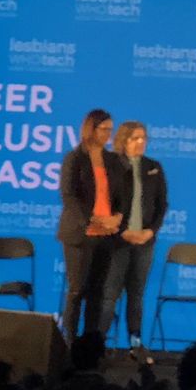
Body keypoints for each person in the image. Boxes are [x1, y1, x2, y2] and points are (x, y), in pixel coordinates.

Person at [57, 108, 122, 344]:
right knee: (77, 291)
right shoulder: (75, 158)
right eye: (104, 129)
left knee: (98, 294)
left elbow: (121, 195)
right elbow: (69, 195)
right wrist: (92, 220)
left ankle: (90, 345)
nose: (109, 134)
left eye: (110, 130)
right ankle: (69, 343)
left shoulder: (113, 160)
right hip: (80, 234)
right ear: (91, 129)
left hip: (106, 236)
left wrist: (117, 217)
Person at [106, 120, 169, 363]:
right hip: (117, 241)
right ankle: (99, 344)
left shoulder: (154, 167)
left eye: (144, 137)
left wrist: (150, 231)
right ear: (123, 140)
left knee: (136, 294)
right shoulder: (112, 166)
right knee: (109, 294)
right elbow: (106, 204)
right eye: (135, 138)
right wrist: (121, 231)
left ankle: (136, 344)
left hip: (144, 241)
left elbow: (162, 205)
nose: (141, 142)